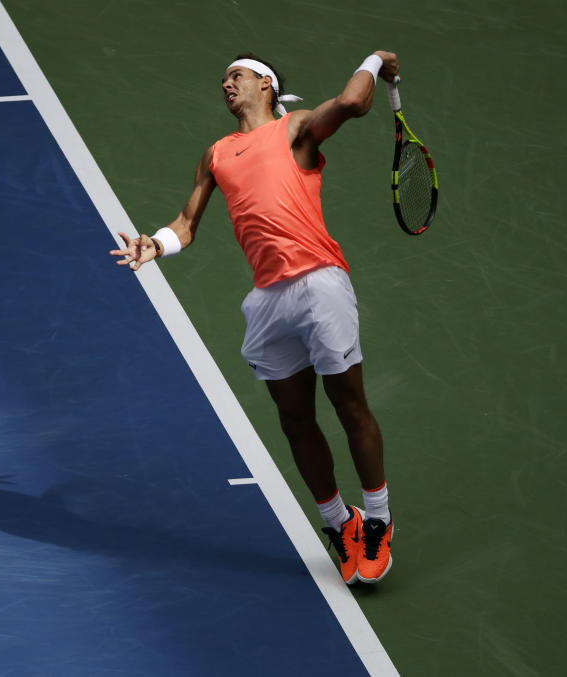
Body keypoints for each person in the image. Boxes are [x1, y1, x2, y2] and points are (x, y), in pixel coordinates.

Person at [109, 51, 399, 584]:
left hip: (318, 283)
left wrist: (376, 59)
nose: (226, 84)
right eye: (222, 79)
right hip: (268, 299)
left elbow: (356, 101)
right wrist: (156, 243)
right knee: (293, 417)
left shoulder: (298, 129)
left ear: (266, 84)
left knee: (348, 403)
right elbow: (186, 223)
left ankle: (378, 519)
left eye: (236, 75)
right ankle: (339, 524)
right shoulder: (217, 154)